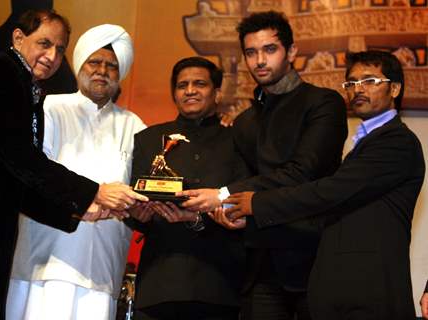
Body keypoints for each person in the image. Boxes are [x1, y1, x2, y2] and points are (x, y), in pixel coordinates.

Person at [0, 10, 146, 320]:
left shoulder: (26, 85)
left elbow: (17, 180)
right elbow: (21, 159)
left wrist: (77, 211)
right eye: (44, 43)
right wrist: (94, 192)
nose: (51, 55)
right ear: (18, 38)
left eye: (59, 49)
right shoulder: (0, 74)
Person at [218, 51, 425, 320]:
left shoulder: (396, 142)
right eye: (351, 83)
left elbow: (329, 192)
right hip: (340, 292)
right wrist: (253, 220)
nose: (358, 90)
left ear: (395, 88)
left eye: (370, 81)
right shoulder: (362, 143)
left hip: (369, 292)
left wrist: (257, 203)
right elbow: (326, 212)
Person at [179, 11, 348, 320]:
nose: (259, 60)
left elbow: (303, 173)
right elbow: (245, 182)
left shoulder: (323, 103)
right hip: (260, 264)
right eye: (251, 52)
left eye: (270, 49)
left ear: (292, 52)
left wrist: (223, 194)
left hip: (315, 257)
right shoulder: (244, 122)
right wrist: (227, 210)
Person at [6, 24, 145, 320]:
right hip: (44, 259)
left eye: (111, 66)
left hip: (102, 266)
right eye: (94, 62)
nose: (102, 71)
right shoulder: (49, 108)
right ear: (80, 64)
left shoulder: (134, 126)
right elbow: (34, 173)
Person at [128, 57, 249, 320]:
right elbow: (134, 200)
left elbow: (244, 198)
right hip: (159, 283)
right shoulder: (149, 139)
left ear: (217, 93)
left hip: (218, 283)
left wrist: (198, 218)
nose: (190, 90)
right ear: (174, 93)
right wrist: (137, 216)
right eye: (182, 85)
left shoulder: (238, 139)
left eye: (200, 84)